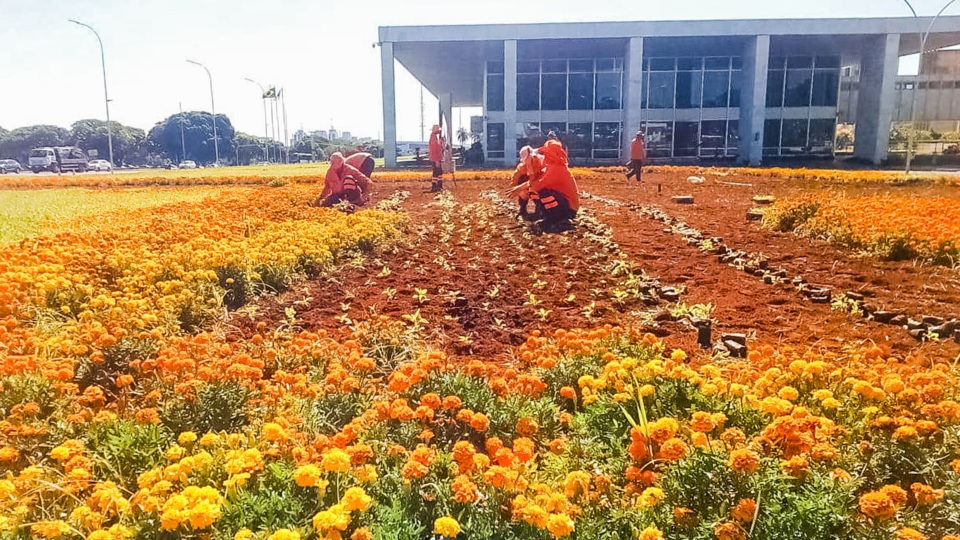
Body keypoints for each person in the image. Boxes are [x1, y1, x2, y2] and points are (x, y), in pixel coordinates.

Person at [528, 140, 579, 233]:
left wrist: (531, 169)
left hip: (568, 208)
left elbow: (536, 186)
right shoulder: (553, 166)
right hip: (566, 205)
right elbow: (534, 184)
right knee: (535, 191)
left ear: (550, 154)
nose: (544, 156)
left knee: (543, 192)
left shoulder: (555, 168)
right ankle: (550, 217)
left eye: (545, 153)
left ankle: (557, 219)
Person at [511, 146, 542, 221]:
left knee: (540, 192)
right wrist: (520, 190)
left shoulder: (541, 162)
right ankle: (523, 209)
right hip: (529, 185)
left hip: (539, 186)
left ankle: (541, 209)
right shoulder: (521, 168)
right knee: (523, 192)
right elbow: (515, 180)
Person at [428, 124, 445, 192]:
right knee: (436, 172)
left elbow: (438, 147)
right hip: (435, 158)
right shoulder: (433, 137)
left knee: (439, 172)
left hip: (436, 158)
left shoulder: (434, 137)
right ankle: (435, 186)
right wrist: (436, 160)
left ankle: (439, 185)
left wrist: (441, 143)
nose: (439, 131)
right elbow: (434, 149)